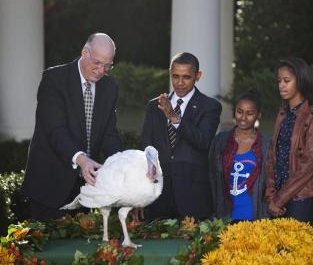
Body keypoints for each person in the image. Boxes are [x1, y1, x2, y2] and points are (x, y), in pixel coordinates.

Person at [21, 33, 122, 221]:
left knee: (80, 249)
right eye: (98, 63)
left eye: (107, 66)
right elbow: (55, 131)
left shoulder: (110, 87)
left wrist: (125, 165)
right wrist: (82, 160)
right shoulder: (54, 79)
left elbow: (109, 135)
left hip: (85, 192)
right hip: (49, 185)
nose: (101, 70)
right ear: (85, 52)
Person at [140, 52, 222, 220]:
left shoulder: (210, 106)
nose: (180, 83)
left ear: (198, 76)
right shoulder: (154, 106)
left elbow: (203, 141)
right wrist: (141, 192)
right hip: (158, 197)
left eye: (186, 77)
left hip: (194, 198)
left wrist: (174, 118)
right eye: (175, 76)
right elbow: (145, 148)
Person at [265, 57, 313, 222]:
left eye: (286, 80)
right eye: (279, 81)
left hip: (302, 197)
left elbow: (309, 164)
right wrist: (271, 195)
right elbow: (273, 156)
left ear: (300, 81)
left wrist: (279, 199)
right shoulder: (282, 115)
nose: (281, 85)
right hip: (278, 196)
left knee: (296, 246)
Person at [209, 89, 270, 222]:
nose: (243, 117)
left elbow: (271, 182)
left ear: (258, 115)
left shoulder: (266, 145)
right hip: (225, 215)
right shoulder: (221, 141)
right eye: (240, 111)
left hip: (255, 215)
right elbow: (212, 177)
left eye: (250, 113)